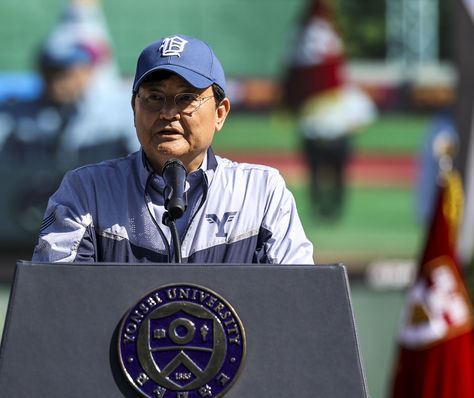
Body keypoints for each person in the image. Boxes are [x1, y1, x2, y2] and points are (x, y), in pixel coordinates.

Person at [32, 34, 314, 264]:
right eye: (154, 97)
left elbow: (296, 302)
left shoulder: (261, 192)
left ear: (220, 113)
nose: (168, 112)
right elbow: (56, 302)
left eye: (187, 98)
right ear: (134, 109)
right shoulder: (86, 191)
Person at [0, 0, 138, 172]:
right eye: (50, 71)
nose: (57, 81)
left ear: (87, 72)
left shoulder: (117, 114)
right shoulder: (18, 115)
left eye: (65, 73)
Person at [282, 0, 376, 221]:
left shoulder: (345, 91)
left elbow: (364, 113)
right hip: (314, 137)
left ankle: (334, 210)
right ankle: (320, 209)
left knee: (337, 178)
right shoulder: (317, 84)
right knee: (316, 177)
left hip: (337, 138)